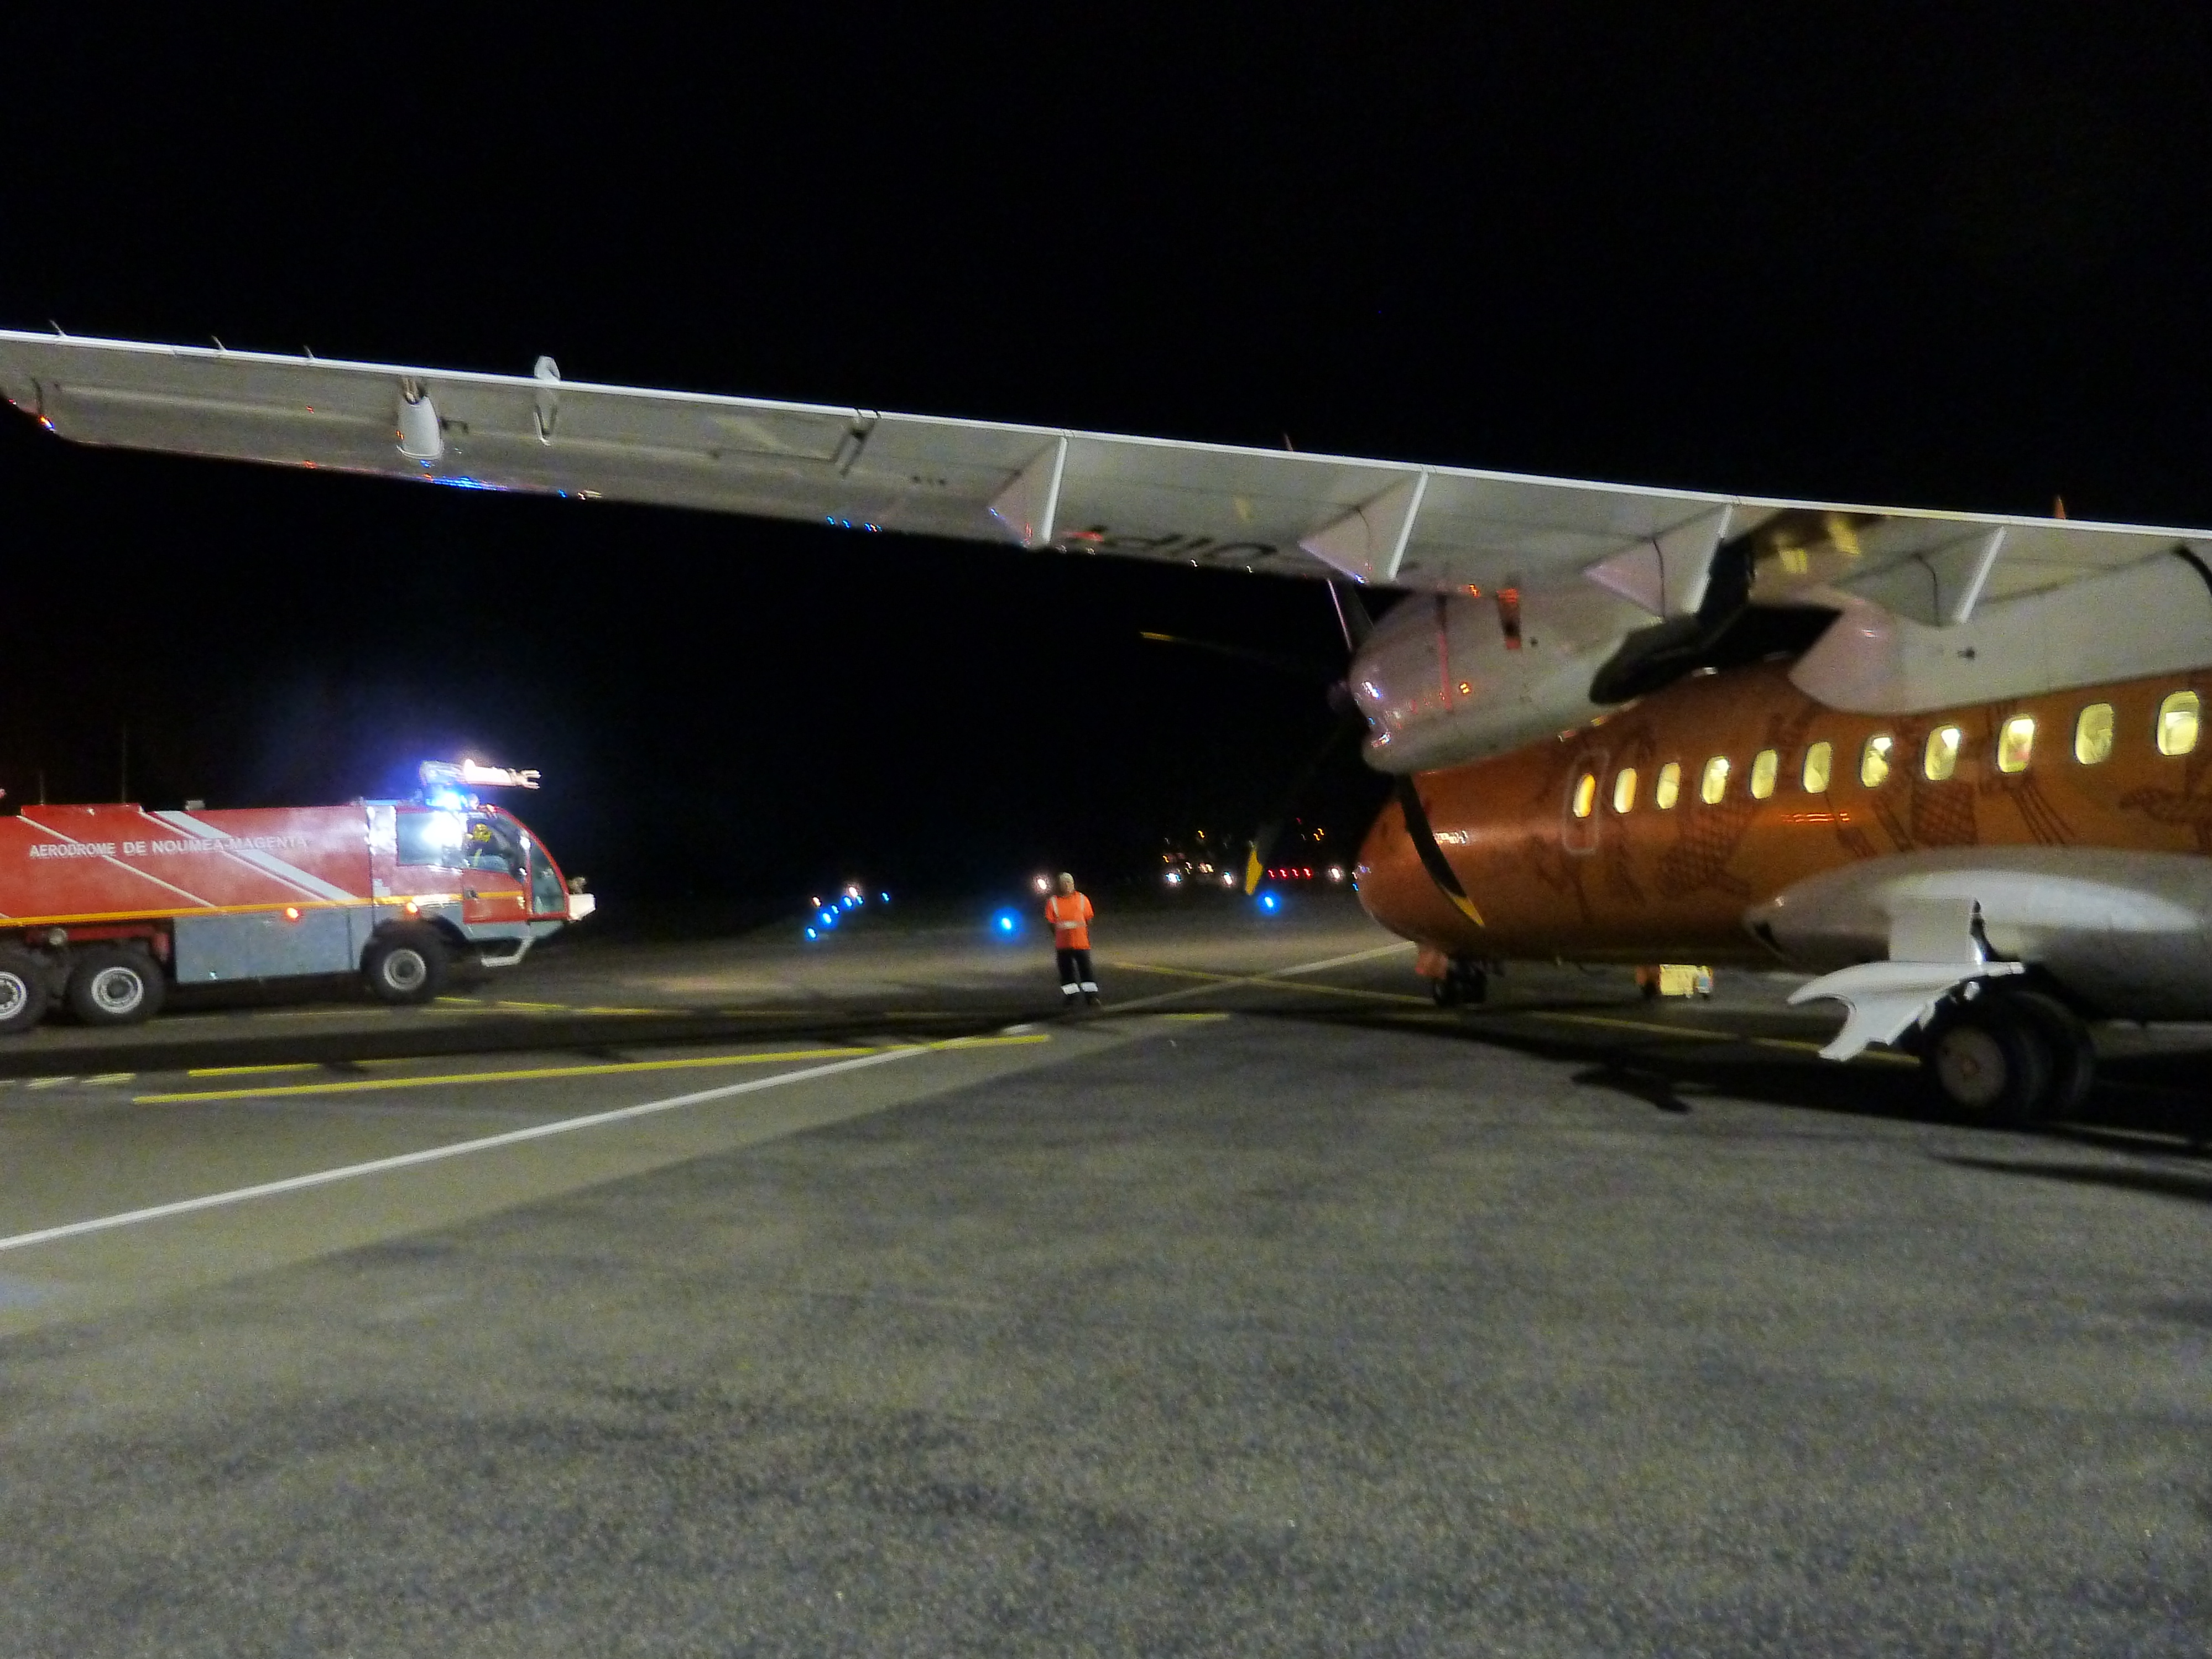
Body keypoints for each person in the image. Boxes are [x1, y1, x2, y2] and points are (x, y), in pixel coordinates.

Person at [1044, 872, 1098, 1006]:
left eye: (1069, 882)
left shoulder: (1082, 899)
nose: (1067, 885)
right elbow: (1050, 923)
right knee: (1067, 974)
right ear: (1059, 885)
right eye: (1064, 883)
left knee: (1086, 972)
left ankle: (1091, 998)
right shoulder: (1053, 902)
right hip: (1063, 945)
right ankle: (1071, 997)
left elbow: (1089, 919)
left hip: (1081, 944)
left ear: (1073, 884)